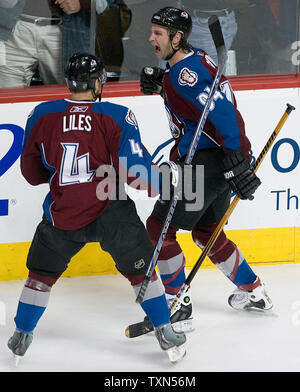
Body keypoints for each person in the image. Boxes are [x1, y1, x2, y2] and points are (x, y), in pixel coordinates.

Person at [7, 53, 186, 365]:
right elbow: (136, 172)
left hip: (62, 213)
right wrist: (164, 181)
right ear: (97, 82)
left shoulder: (42, 114)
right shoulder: (116, 115)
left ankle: (21, 334)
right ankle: (164, 331)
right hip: (111, 213)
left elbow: (31, 173)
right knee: (141, 272)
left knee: (40, 275)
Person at [133, 6, 273, 334]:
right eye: (152, 31)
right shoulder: (191, 62)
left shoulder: (185, 76)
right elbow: (200, 106)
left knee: (157, 228)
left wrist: (240, 158)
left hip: (206, 162)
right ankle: (254, 290)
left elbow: (223, 113)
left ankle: (176, 303)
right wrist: (162, 86)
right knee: (207, 233)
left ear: (178, 38)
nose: (151, 38)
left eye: (158, 34)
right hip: (219, 160)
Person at [0, 0, 63, 87]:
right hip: (15, 26)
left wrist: (82, 3)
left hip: (65, 28)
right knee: (8, 92)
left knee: (70, 90)